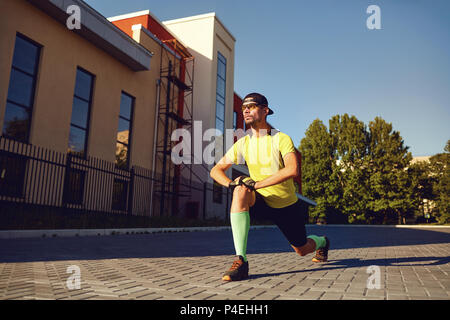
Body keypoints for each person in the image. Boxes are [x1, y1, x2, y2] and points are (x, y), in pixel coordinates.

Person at [210, 92, 330, 282]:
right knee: (240, 190)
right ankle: (241, 261)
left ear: (265, 111)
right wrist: (232, 184)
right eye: (243, 107)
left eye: (252, 106)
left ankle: (322, 241)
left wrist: (256, 183)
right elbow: (216, 170)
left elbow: (293, 170)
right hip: (260, 200)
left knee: (302, 249)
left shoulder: (281, 139)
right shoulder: (243, 143)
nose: (246, 110)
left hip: (286, 205)